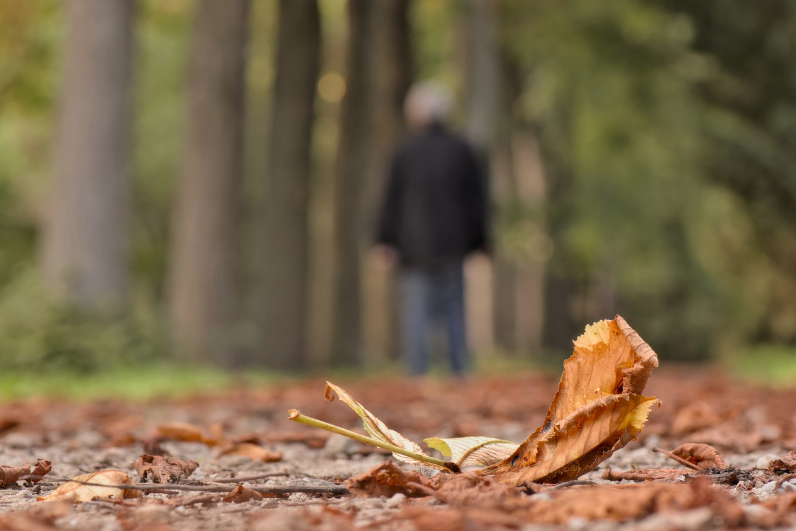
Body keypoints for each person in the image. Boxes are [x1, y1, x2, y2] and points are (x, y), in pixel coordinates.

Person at [374, 82, 489, 377]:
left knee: (416, 311)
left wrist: (384, 240)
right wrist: (481, 242)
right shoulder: (462, 149)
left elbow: (391, 199)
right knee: (454, 309)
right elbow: (477, 200)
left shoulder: (405, 151)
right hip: (454, 244)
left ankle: (417, 373)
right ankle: (459, 369)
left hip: (413, 245)